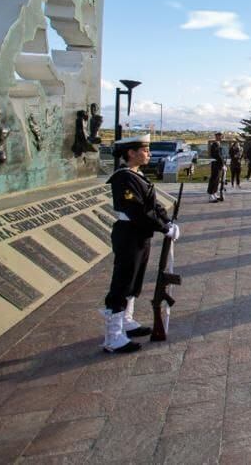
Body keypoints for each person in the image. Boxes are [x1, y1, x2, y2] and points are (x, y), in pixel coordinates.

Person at [102, 134, 179, 354]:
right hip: (129, 233)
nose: (149, 154)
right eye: (145, 150)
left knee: (134, 279)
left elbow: (153, 205)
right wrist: (163, 228)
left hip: (140, 234)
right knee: (122, 281)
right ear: (131, 153)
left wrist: (167, 221)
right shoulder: (123, 178)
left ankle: (126, 320)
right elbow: (137, 211)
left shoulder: (138, 175)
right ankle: (113, 337)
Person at [207, 132, 225, 203]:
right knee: (213, 179)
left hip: (218, 165)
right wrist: (222, 164)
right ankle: (210, 194)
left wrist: (223, 163)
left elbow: (221, 155)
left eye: (221, 136)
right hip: (215, 164)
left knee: (217, 180)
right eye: (219, 136)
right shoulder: (214, 145)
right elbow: (217, 155)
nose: (221, 137)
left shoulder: (218, 144)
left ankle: (214, 193)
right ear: (216, 137)